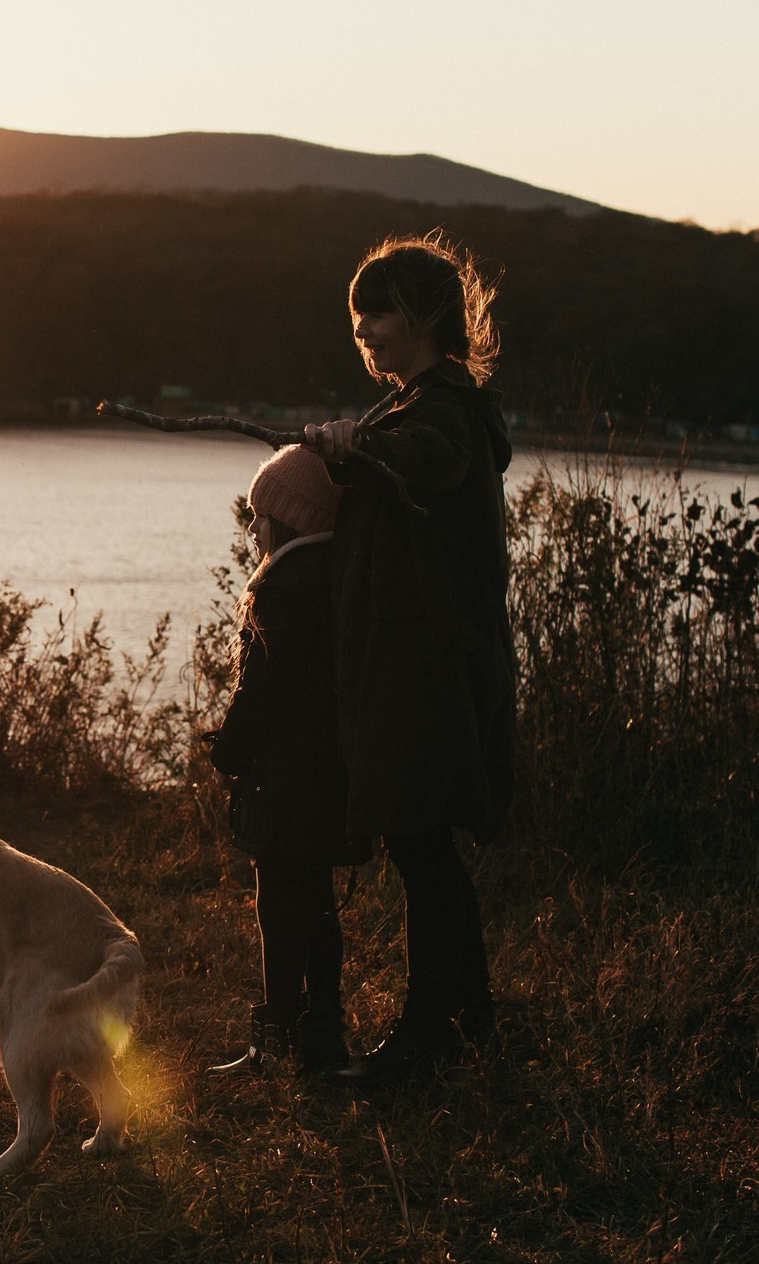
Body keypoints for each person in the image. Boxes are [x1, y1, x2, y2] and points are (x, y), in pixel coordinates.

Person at [303, 234, 518, 1083]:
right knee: (422, 850)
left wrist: (359, 450)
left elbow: (428, 465)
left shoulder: (443, 413)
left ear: (426, 316)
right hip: (409, 665)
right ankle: (466, 1025)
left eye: (378, 314)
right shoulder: (413, 407)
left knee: (422, 850)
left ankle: (432, 1037)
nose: (364, 333)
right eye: (357, 320)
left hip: (426, 670)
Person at [207, 445, 371, 1076]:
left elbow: (263, 690)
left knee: (279, 907)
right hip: (329, 775)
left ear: (287, 518)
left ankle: (276, 1038)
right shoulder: (337, 578)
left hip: (286, 780)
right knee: (318, 905)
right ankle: (322, 1033)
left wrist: (227, 754)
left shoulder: (283, 585)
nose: (253, 530)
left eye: (259, 515)